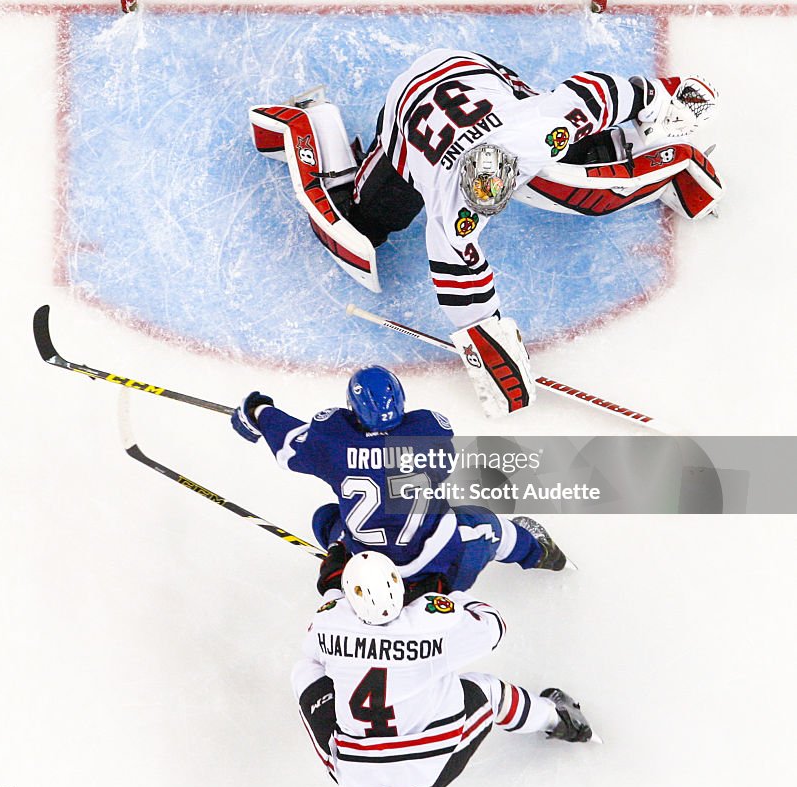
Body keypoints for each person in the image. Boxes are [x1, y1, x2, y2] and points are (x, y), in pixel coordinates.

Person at [249, 51, 723, 414]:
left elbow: (596, 92)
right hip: (405, 113)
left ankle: (635, 147)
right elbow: (460, 282)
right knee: (362, 224)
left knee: (577, 182)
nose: (485, 213)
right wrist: (486, 339)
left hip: (470, 72)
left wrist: (663, 96)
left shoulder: (538, 131)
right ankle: (310, 120)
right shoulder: (448, 204)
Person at [293, 550, 596, 787]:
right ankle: (560, 722)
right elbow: (494, 627)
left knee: (306, 670)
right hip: (428, 770)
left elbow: (323, 632)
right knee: (486, 690)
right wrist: (448, 595)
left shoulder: (327, 621)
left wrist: (334, 591)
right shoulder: (431, 622)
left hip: (356, 778)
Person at [231, 364, 567, 591]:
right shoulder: (430, 433)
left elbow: (291, 446)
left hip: (369, 565)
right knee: (486, 525)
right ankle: (541, 553)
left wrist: (259, 412)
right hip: (437, 558)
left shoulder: (330, 443)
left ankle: (347, 557)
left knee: (325, 518)